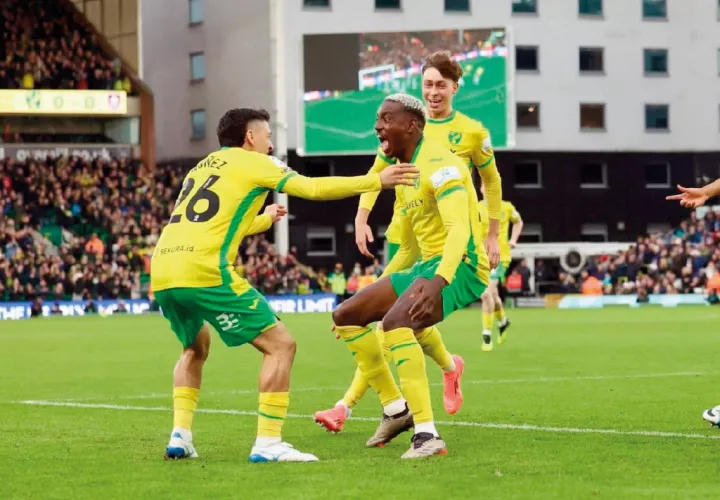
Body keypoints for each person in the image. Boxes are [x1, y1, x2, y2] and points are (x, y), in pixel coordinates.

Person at [151, 107, 418, 463]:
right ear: (250, 137)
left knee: (194, 348)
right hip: (204, 269)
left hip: (164, 268)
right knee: (281, 345)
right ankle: (268, 443)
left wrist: (263, 219)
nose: (271, 143)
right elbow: (313, 187)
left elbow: (221, 225)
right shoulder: (256, 163)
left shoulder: (202, 167)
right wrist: (377, 181)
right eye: (268, 136)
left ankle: (180, 436)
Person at [315, 49, 500, 432]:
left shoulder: (469, 133)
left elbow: (491, 183)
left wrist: (494, 232)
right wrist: (362, 214)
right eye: (427, 84)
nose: (433, 92)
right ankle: (443, 371)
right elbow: (376, 171)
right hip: (411, 228)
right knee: (372, 317)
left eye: (440, 85)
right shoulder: (400, 130)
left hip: (452, 236)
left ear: (454, 88)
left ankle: (352, 407)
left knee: (394, 326)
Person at [476, 183, 523, 351]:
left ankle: (486, 334)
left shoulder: (506, 207)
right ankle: (503, 322)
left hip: (500, 257)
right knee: (493, 296)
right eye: (484, 186)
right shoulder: (476, 207)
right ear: (481, 189)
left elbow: (518, 222)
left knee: (486, 294)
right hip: (481, 257)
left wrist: (513, 240)